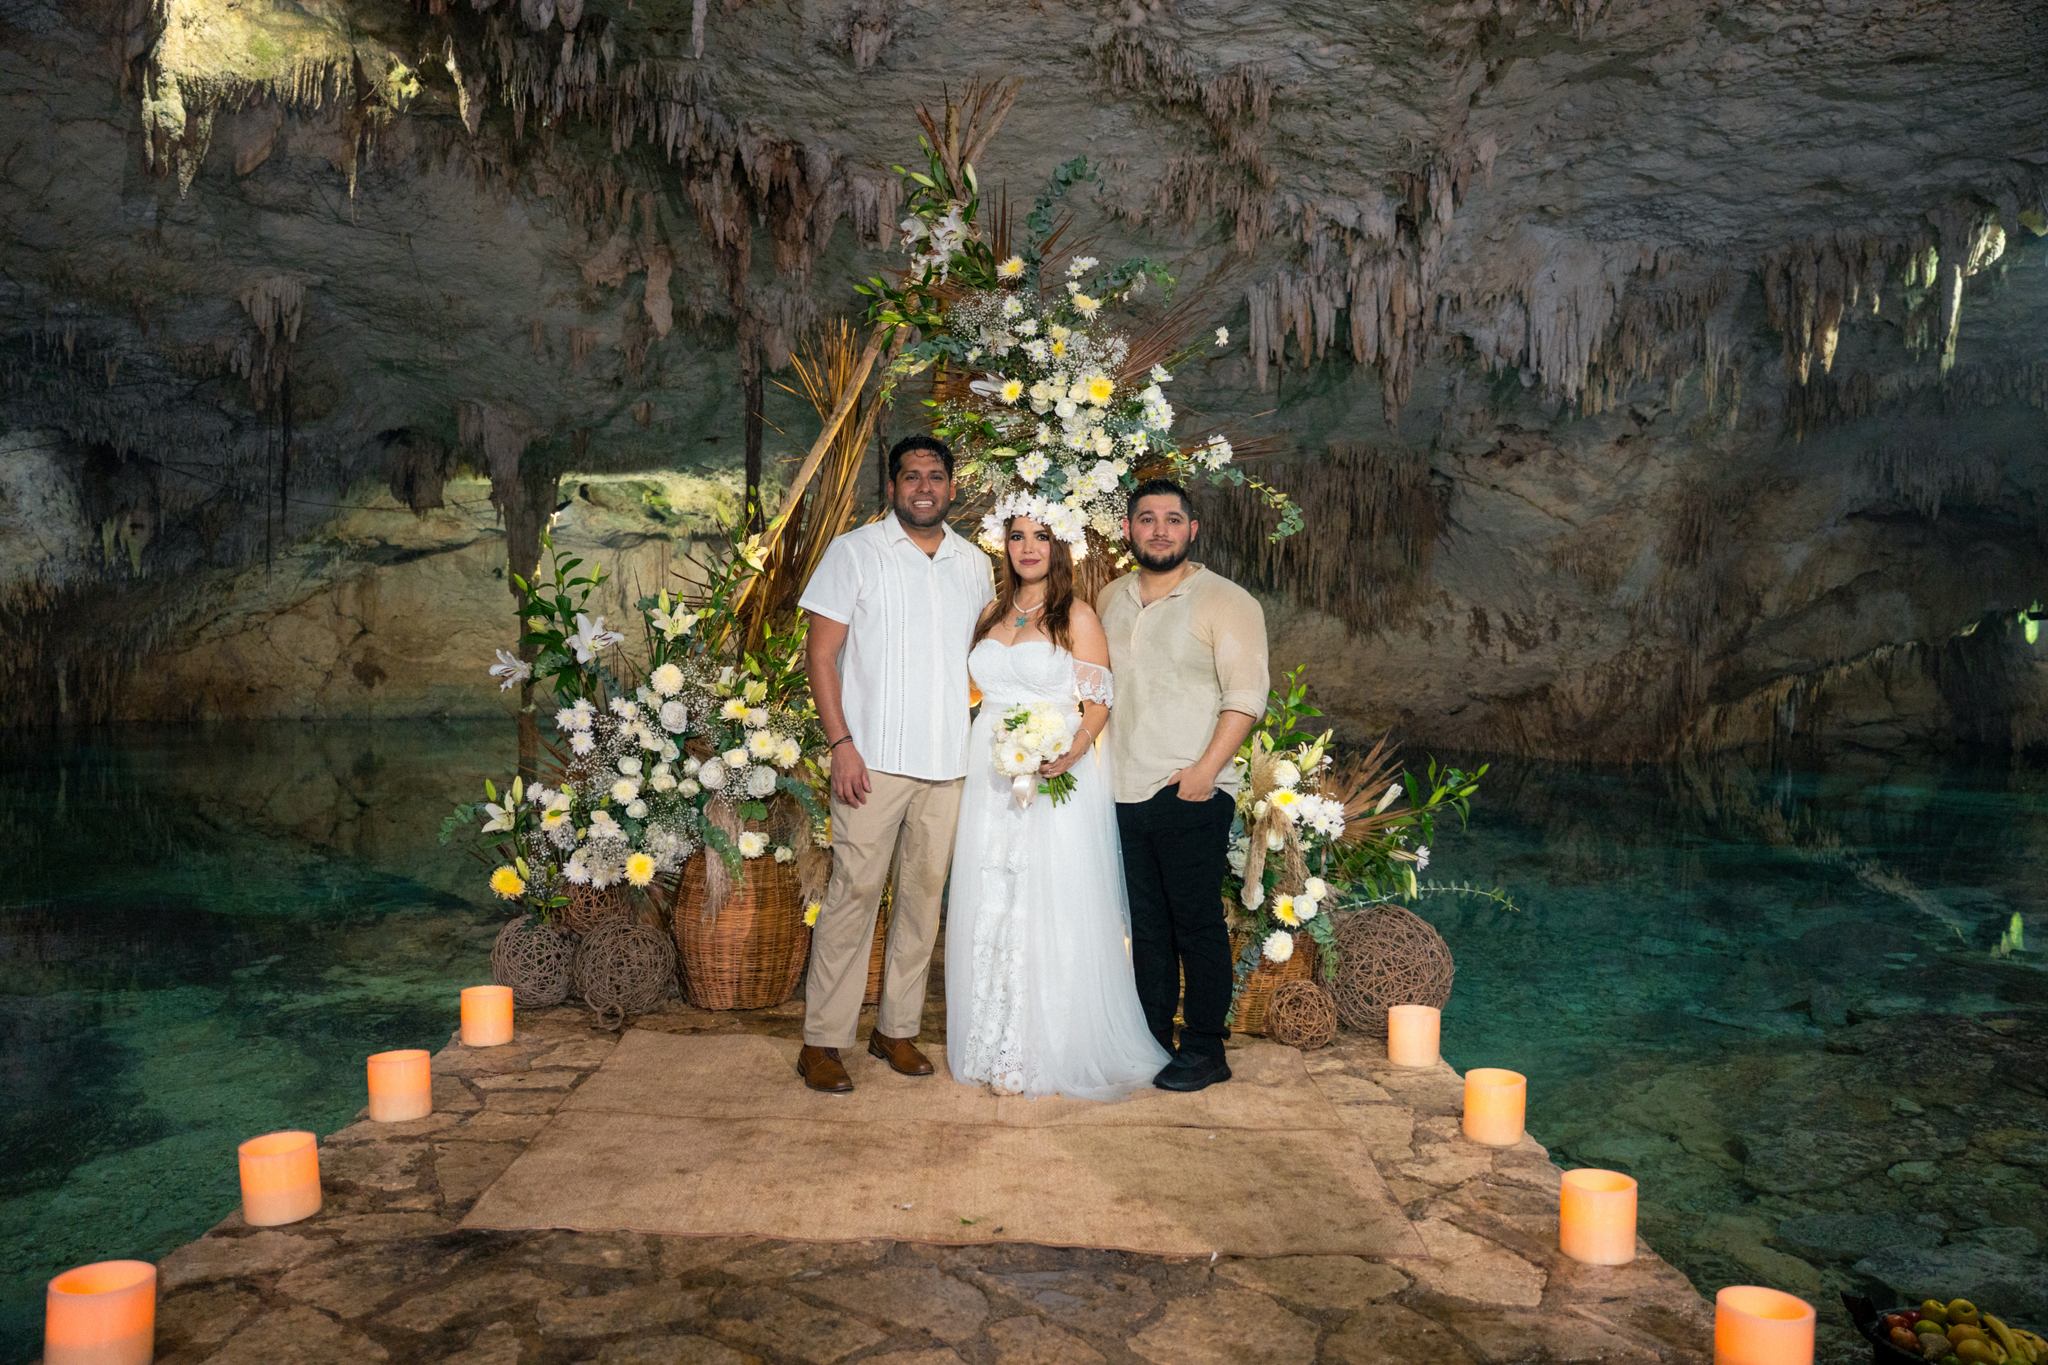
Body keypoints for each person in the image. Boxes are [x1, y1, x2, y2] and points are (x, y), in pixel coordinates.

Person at [944, 496, 1171, 1099]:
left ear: (1058, 546)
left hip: (1054, 778)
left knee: (1048, 899)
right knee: (993, 893)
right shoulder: (992, 611)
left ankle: (1044, 1045)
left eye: (1041, 536)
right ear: (1006, 546)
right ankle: (991, 1039)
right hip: (990, 775)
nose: (1028, 547)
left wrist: (1070, 752)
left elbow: (1098, 701)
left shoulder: (1078, 615)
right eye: (1018, 537)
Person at [794, 435, 993, 1093]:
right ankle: (823, 1040)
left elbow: (981, 665)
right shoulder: (855, 552)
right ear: (892, 486)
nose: (925, 486)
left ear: (952, 487)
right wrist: (840, 742)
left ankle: (896, 1029)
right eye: (911, 476)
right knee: (852, 894)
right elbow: (820, 656)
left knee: (922, 899)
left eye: (936, 475)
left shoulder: (975, 564)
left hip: (949, 763)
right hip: (870, 762)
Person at [1098, 478, 1269, 1092]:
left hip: (1189, 790)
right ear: (1128, 530)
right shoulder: (1110, 598)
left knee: (1195, 923)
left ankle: (1204, 1048)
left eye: (1173, 519)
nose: (1160, 530)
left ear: (1192, 530)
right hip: (1119, 791)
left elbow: (1246, 698)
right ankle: (1151, 1038)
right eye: (1147, 519)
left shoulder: (1226, 602)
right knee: (1146, 925)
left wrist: (1202, 774)